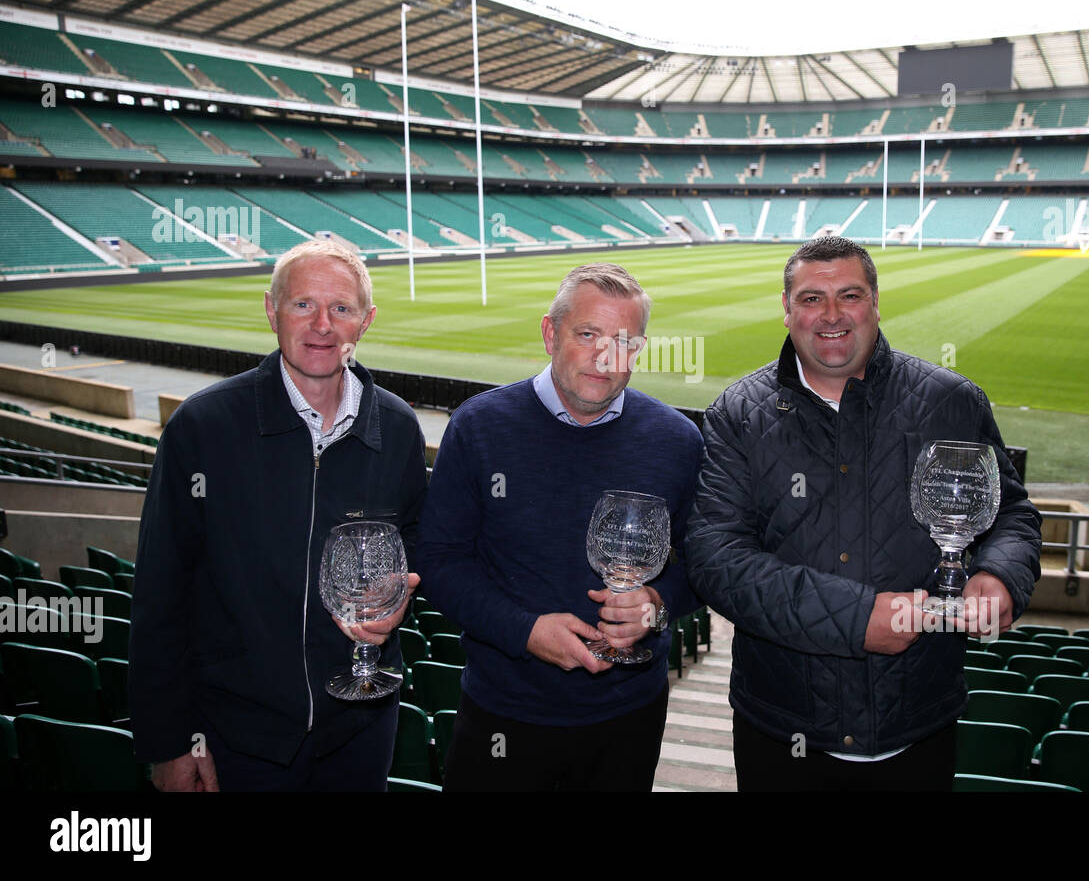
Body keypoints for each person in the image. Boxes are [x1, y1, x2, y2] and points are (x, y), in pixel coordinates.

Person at [684, 236, 1041, 791]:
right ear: (786, 310)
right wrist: (857, 618)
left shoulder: (950, 400)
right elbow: (716, 560)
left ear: (875, 302)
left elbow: (1011, 513)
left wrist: (1000, 575)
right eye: (810, 298)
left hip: (918, 720)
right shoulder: (737, 414)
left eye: (849, 295)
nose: (830, 315)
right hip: (782, 728)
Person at [129, 240, 427, 791]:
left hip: (359, 736)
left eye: (341, 308)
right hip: (236, 742)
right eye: (302, 305)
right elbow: (159, 593)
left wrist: (397, 600)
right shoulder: (204, 427)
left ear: (366, 321)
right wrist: (169, 743)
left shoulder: (400, 428)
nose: (322, 325)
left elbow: (409, 546)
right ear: (271, 310)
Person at [415, 263, 702, 791]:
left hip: (629, 715)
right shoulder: (479, 426)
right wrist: (524, 631)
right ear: (550, 333)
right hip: (504, 713)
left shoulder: (678, 440)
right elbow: (438, 561)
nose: (604, 356)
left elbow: (704, 563)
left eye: (623, 340)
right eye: (587, 334)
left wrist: (657, 603)